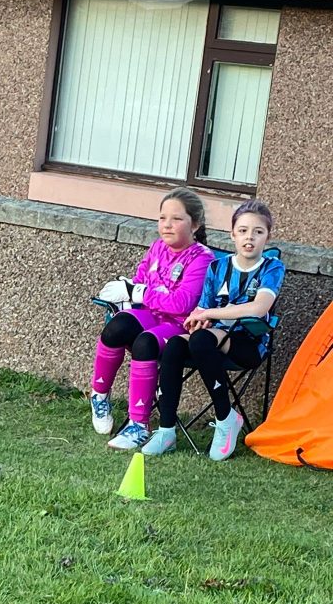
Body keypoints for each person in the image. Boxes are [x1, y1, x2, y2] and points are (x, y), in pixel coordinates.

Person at [142, 199, 284, 461]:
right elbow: (202, 308)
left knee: (200, 341)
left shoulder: (271, 267)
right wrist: (198, 319)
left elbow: (259, 307)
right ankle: (166, 430)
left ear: (268, 236)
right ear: (232, 235)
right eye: (243, 231)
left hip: (249, 343)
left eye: (258, 232)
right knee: (176, 345)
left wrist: (209, 315)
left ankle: (225, 417)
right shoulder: (217, 267)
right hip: (210, 340)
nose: (249, 238)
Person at [89, 188, 213, 450]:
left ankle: (138, 425)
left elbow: (182, 303)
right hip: (152, 315)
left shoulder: (202, 258)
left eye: (176, 219)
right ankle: (99, 394)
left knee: (145, 342)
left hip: (180, 325)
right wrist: (131, 291)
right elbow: (140, 280)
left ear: (195, 225)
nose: (167, 225)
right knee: (117, 326)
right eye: (162, 218)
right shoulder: (157, 247)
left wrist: (140, 292)